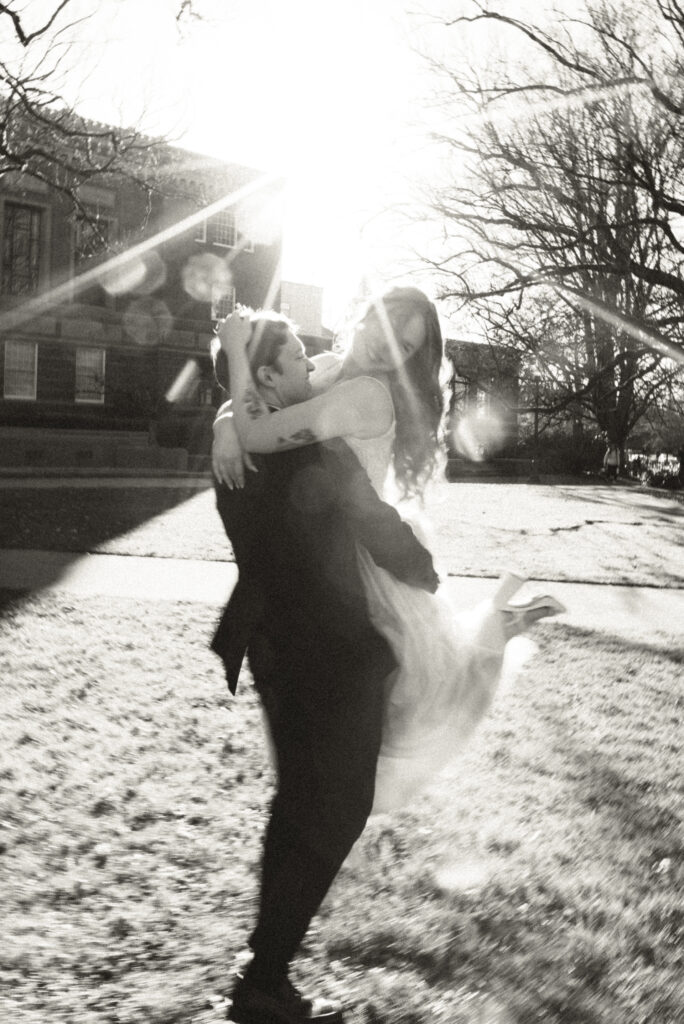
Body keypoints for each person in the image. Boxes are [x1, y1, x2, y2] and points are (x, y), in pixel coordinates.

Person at [216, 286, 564, 815]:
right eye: (388, 326)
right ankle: (503, 621)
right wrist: (224, 425)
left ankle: (499, 626)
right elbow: (265, 396)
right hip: (320, 555)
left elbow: (261, 431)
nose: (388, 347)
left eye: (406, 346)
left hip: (358, 564)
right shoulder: (326, 367)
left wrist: (236, 360)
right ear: (367, 313)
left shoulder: (366, 397)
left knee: (411, 709)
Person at [210, 309, 441, 1024]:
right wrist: (422, 568)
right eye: (293, 360)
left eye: (405, 346)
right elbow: (367, 512)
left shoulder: (255, 440)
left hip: (268, 641)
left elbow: (251, 412)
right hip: (330, 643)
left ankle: (262, 971)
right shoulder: (328, 433)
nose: (309, 366)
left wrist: (227, 408)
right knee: (339, 808)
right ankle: (264, 976)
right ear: (270, 377)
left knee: (296, 803)